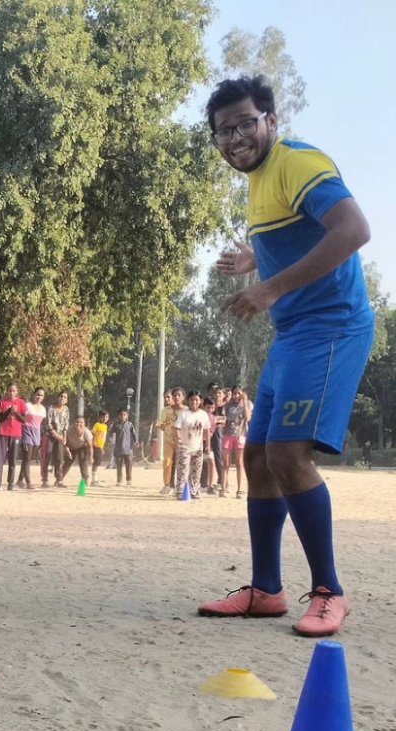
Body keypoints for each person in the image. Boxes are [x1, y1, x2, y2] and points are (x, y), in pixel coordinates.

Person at [198, 76, 373, 637]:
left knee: (289, 455)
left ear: (271, 120)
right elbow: (295, 236)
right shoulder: (259, 180)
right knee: (256, 458)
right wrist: (257, 260)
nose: (235, 138)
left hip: (331, 327)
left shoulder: (297, 162)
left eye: (246, 123)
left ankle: (329, 591)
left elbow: (353, 229)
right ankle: (266, 591)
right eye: (224, 130)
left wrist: (269, 289)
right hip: (293, 333)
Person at [173, 390, 211, 499]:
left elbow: (207, 430)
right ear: (188, 401)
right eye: (191, 400)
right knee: (183, 470)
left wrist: (208, 445)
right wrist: (179, 438)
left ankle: (194, 491)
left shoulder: (203, 415)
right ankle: (180, 491)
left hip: (197, 447)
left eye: (196, 400)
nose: (194, 402)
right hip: (185, 447)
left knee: (196, 471)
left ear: (200, 401)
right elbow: (177, 428)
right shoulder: (184, 414)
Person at [0, 383, 26, 490]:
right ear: (7, 391)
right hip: (3, 433)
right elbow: (1, 419)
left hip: (16, 434)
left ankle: (11, 483)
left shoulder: (21, 403)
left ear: (17, 392)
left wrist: (16, 412)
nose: (11, 393)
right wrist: (9, 410)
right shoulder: (2, 402)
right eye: (9, 390)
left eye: (13, 391)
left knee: (13, 459)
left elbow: (23, 420)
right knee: (0, 458)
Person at [19, 387, 46, 489]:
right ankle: (28, 482)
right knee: (27, 457)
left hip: (36, 434)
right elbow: (21, 417)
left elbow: (42, 423)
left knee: (28, 459)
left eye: (41, 395)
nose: (39, 397)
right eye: (37, 394)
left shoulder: (43, 409)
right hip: (26, 433)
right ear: (34, 395)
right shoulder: (28, 406)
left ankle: (20, 480)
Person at [43, 392, 69, 486]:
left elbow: (66, 424)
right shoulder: (51, 408)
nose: (62, 398)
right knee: (48, 456)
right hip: (50, 435)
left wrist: (64, 437)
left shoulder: (66, 409)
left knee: (59, 458)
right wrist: (57, 436)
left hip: (61, 437)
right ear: (57, 397)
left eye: (64, 397)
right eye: (61, 396)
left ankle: (59, 480)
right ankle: (45, 480)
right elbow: (48, 424)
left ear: (67, 400)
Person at [58, 416, 93, 486]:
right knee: (68, 463)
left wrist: (91, 457)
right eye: (77, 422)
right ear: (74, 423)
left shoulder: (87, 432)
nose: (79, 424)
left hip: (82, 447)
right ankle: (59, 479)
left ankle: (85, 479)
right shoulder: (69, 430)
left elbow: (90, 446)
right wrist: (67, 450)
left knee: (83, 462)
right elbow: (64, 442)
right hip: (71, 447)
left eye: (81, 422)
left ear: (84, 424)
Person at [154, 391, 178, 493]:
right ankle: (167, 485)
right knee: (168, 462)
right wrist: (167, 428)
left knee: (179, 463)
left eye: (168, 397)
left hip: (180, 441)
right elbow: (160, 424)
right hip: (168, 441)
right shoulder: (165, 411)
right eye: (165, 398)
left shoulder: (181, 409)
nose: (167, 399)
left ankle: (179, 485)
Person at [111, 408, 136, 486]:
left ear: (127, 416)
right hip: (119, 448)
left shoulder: (130, 424)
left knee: (129, 465)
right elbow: (111, 434)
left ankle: (129, 480)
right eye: (121, 415)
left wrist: (136, 441)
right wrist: (110, 440)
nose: (123, 416)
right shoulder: (116, 425)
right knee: (119, 466)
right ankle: (119, 481)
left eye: (124, 414)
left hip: (128, 449)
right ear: (118, 416)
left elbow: (134, 434)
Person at [91, 411, 109, 486]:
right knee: (97, 462)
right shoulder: (97, 425)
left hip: (100, 447)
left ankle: (95, 478)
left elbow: (103, 438)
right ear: (100, 417)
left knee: (98, 462)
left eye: (107, 417)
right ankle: (94, 480)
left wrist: (102, 447)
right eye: (104, 417)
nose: (105, 418)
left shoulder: (105, 426)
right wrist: (95, 445)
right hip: (95, 446)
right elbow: (92, 434)